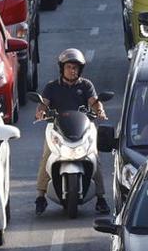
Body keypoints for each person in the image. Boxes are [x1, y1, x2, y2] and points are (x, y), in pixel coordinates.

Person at [34, 48, 106, 215]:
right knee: (47, 156)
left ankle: (101, 198)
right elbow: (43, 103)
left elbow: (94, 102)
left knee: (94, 156)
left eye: (75, 68)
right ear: (62, 68)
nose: (72, 70)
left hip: (82, 128)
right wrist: (40, 112)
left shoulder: (86, 85)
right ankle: (40, 196)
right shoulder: (52, 87)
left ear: (80, 70)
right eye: (69, 67)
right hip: (57, 128)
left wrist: (100, 110)